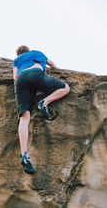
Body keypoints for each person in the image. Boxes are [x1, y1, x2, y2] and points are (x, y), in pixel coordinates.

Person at [12, 45, 70, 174]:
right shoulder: (38, 53)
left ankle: (24, 155)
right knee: (65, 88)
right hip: (37, 75)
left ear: (18, 54)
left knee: (24, 118)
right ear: (29, 50)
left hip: (21, 80)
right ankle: (44, 102)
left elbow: (14, 77)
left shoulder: (16, 60)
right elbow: (53, 65)